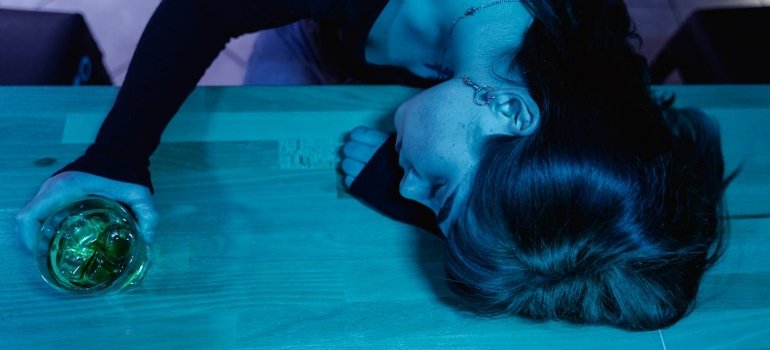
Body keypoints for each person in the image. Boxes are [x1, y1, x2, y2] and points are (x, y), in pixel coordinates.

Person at [15, 0, 733, 331]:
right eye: (441, 193)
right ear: (511, 113)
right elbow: (203, 12)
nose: (414, 187)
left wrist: (419, 198)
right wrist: (116, 154)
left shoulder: (593, 93)